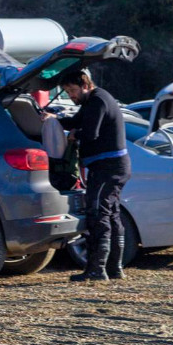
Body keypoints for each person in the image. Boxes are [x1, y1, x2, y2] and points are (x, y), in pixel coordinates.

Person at [46, 69, 131, 282]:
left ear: (85, 85)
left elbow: (91, 133)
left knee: (98, 213)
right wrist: (55, 119)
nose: (71, 96)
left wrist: (74, 135)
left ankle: (96, 270)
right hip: (113, 166)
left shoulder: (98, 100)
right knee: (111, 213)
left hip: (108, 167)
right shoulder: (93, 101)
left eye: (73, 90)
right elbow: (76, 121)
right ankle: (114, 268)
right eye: (67, 92)